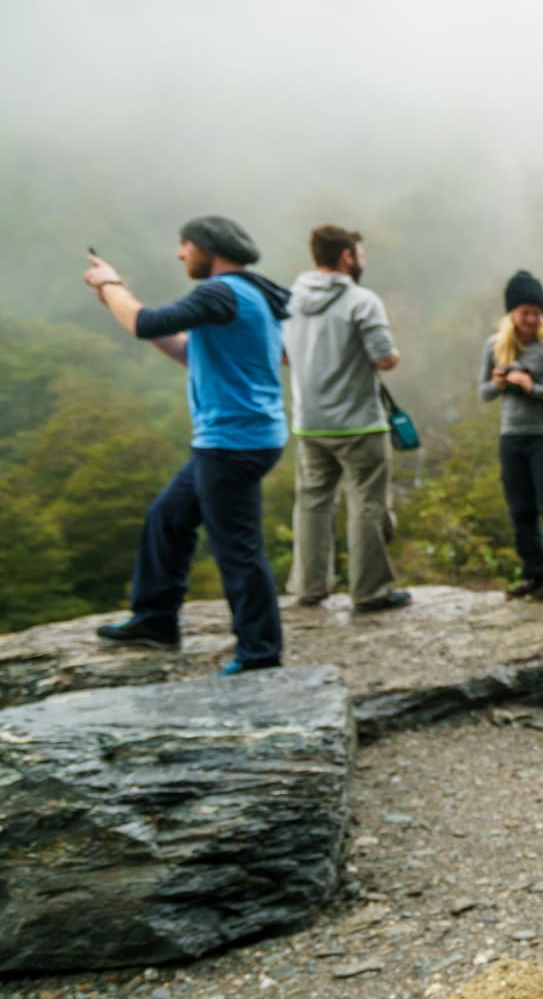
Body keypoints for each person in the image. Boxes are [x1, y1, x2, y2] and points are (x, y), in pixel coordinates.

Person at [82, 217, 290, 674]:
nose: (180, 255)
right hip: (236, 437)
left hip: (233, 441)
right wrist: (114, 298)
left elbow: (143, 322)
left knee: (237, 547)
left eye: (185, 246)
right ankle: (155, 619)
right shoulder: (250, 292)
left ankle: (260, 653)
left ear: (207, 248)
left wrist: (113, 285)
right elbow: (187, 351)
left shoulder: (221, 291)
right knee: (168, 516)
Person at [284, 224, 410, 614]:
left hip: (309, 420)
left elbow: (283, 355)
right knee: (366, 504)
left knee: (312, 503)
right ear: (346, 257)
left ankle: (309, 586)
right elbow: (383, 358)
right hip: (358, 422)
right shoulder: (362, 300)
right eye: (360, 253)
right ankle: (370, 591)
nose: (362, 261)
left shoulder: (288, 301)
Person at [479, 270, 543, 600]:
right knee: (521, 509)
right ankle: (533, 574)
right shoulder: (494, 347)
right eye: (525, 312)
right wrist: (498, 384)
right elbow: (483, 392)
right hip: (512, 436)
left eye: (537, 313)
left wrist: (533, 387)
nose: (531, 319)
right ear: (511, 313)